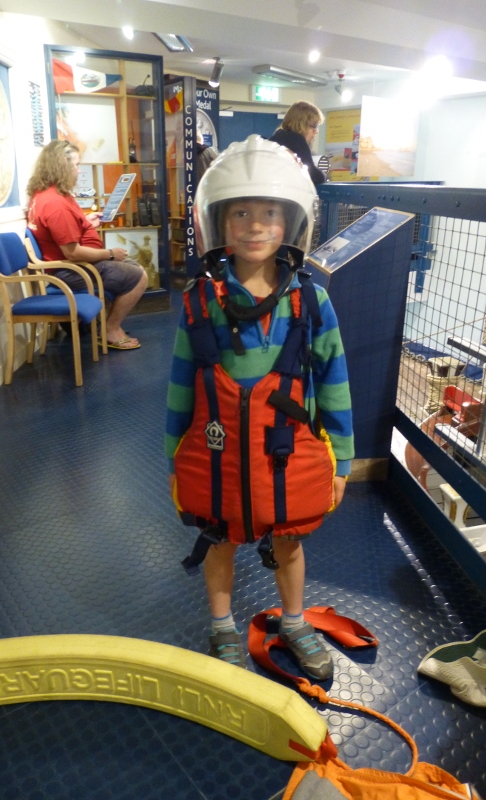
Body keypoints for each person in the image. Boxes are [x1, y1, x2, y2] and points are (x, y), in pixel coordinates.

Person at [165, 135, 354, 679]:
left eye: (269, 213)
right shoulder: (201, 303)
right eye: (241, 212)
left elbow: (335, 381)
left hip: (286, 452)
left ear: (291, 222)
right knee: (217, 539)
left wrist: (340, 459)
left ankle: (294, 621)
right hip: (218, 450)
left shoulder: (311, 302)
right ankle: (222, 625)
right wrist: (174, 456)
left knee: (289, 541)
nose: (254, 225)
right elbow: (182, 385)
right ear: (218, 223)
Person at [26, 140, 148, 350]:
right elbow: (72, 253)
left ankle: (104, 326)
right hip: (69, 270)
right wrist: (109, 254)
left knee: (131, 267)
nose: (78, 170)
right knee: (139, 277)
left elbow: (64, 232)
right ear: (62, 167)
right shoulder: (56, 204)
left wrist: (86, 222)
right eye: (76, 165)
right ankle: (111, 330)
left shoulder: (45, 195)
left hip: (68, 266)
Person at [269, 100, 327, 186]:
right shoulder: (296, 140)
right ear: (302, 124)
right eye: (314, 126)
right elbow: (313, 175)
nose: (316, 131)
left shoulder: (277, 137)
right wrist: (324, 175)